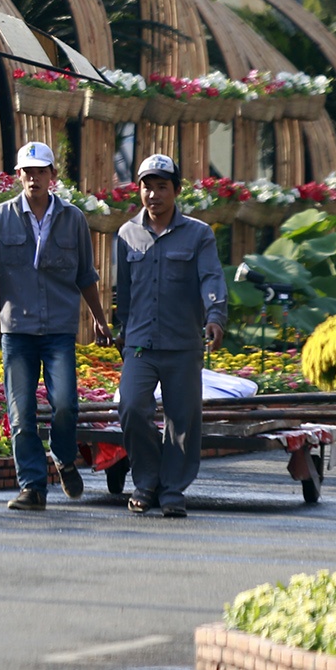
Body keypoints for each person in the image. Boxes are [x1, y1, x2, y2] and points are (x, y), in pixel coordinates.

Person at [0, 141, 111, 511]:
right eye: (27, 172)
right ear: (18, 176)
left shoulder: (74, 218)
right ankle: (32, 487)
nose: (34, 178)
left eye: (40, 171)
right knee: (21, 413)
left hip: (59, 329)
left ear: (52, 177)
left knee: (65, 406)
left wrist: (99, 318)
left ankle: (62, 456)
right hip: (17, 332)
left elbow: (86, 275)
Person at [111, 154, 227, 518]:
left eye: (162, 186)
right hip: (140, 343)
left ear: (176, 191)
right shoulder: (126, 234)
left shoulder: (198, 234)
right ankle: (146, 481)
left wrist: (215, 316)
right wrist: (123, 333)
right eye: (147, 186)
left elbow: (211, 277)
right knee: (130, 407)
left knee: (182, 420)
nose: (153, 194)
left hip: (183, 343)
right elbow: (124, 293)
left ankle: (172, 489)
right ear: (139, 190)